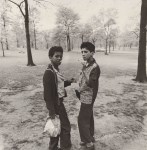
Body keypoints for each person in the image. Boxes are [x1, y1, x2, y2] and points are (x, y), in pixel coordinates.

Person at [43, 46, 74, 150]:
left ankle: (53, 147)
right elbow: (47, 95)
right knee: (65, 127)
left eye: (61, 56)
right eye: (57, 56)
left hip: (59, 103)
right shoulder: (49, 73)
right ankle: (64, 147)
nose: (59, 58)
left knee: (56, 127)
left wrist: (68, 82)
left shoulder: (55, 70)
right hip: (56, 105)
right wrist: (51, 111)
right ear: (50, 57)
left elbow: (58, 86)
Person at [76, 42, 100, 150]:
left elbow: (90, 83)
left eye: (85, 52)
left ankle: (88, 143)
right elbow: (83, 78)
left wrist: (84, 69)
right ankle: (90, 137)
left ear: (92, 53)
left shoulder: (95, 67)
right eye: (82, 52)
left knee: (81, 119)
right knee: (88, 116)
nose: (83, 54)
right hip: (84, 94)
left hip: (89, 96)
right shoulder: (87, 64)